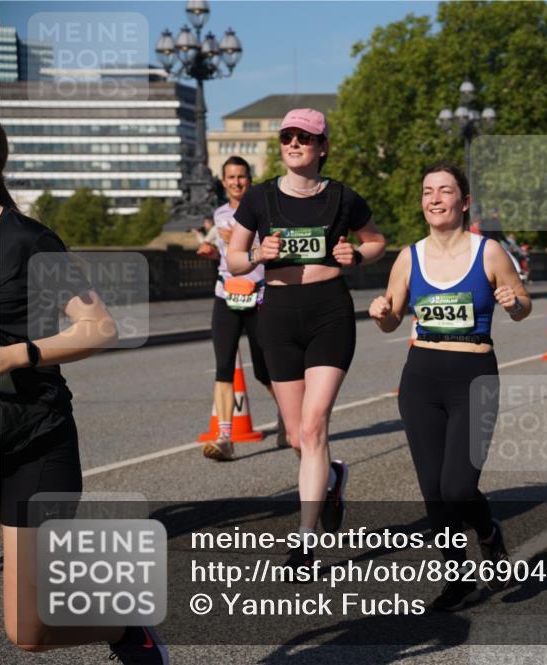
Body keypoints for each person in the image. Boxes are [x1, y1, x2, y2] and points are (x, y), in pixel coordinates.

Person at [0, 122, 167, 662]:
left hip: (32, 441)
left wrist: (15, 354)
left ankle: (125, 631)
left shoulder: (28, 241)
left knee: (29, 632)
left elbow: (100, 327)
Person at [226, 108, 386, 569]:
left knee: (315, 427)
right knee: (297, 437)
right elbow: (234, 258)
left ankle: (304, 541)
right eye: (287, 137)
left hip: (328, 313)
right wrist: (257, 254)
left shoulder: (340, 197)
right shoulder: (258, 199)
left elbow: (376, 241)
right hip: (277, 315)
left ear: (322, 147)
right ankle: (333, 476)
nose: (294, 144)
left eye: (305, 138)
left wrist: (356, 253)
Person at [368, 163, 531, 611]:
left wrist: (514, 302)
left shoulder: (489, 252)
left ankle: (488, 534)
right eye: (427, 192)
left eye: (445, 191)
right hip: (421, 377)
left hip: (473, 377)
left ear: (464, 202)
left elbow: (523, 305)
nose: (435, 198)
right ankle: (457, 577)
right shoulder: (409, 256)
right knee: (433, 489)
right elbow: (392, 319)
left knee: (458, 487)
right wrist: (382, 312)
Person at [202, 156, 285, 460]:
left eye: (242, 177)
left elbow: (272, 252)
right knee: (223, 366)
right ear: (223, 182)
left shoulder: (262, 212)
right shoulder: (220, 212)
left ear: (250, 180)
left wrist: (244, 245)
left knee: (266, 370)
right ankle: (225, 437)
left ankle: (288, 418)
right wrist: (213, 251)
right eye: (231, 177)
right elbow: (227, 257)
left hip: (258, 297)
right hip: (226, 295)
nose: (236, 182)